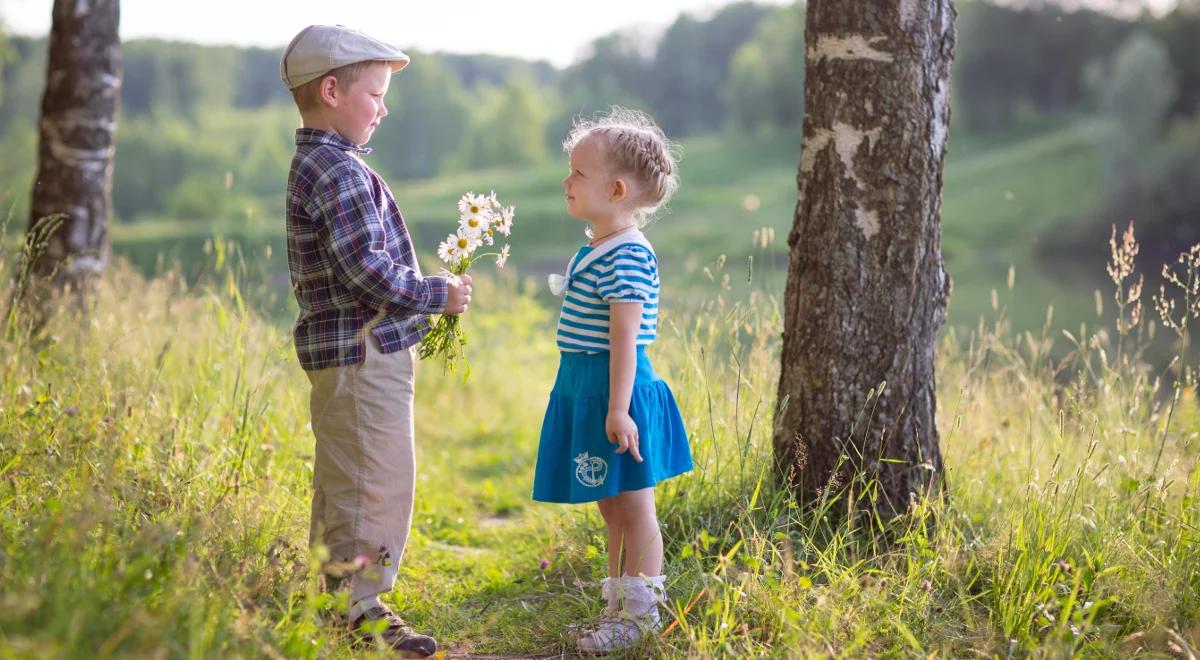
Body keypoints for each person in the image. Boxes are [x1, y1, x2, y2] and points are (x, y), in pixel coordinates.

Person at [280, 24, 473, 656]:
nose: (384, 109)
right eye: (376, 94)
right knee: (376, 479)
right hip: (363, 353)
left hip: (347, 353)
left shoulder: (322, 163)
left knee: (346, 477)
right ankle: (358, 607)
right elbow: (365, 270)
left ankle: (327, 595)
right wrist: (435, 294)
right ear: (332, 90)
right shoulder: (337, 171)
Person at [533, 107, 693, 653]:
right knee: (610, 501)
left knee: (632, 503)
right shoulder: (600, 246)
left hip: (616, 390)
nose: (566, 181)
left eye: (578, 173)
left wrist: (618, 409)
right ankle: (618, 606)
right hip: (588, 385)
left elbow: (626, 340)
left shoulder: (627, 253)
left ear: (617, 188)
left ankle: (641, 615)